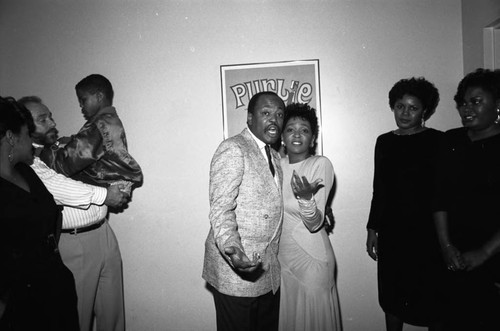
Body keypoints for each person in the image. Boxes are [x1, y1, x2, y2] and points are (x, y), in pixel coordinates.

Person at [37, 74, 143, 331]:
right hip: (75, 241)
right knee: (77, 318)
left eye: (83, 100)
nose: (80, 107)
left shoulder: (98, 126)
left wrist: (56, 147)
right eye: (42, 119)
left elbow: (67, 161)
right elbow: (65, 173)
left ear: (98, 97)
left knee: (113, 318)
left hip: (103, 232)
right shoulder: (30, 160)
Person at [366, 77, 446, 331]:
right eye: (400, 106)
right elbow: (379, 189)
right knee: (392, 297)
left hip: (427, 233)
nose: (405, 113)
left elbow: (441, 192)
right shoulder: (384, 141)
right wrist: (372, 228)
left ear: (425, 111)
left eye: (413, 107)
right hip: (392, 232)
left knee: (433, 299)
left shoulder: (438, 141)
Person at [203, 91, 285, 331]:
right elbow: (221, 210)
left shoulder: (274, 155)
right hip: (237, 273)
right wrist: (233, 251)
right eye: (266, 113)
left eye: (279, 114)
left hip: (267, 274)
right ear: (250, 118)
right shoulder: (233, 148)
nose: (274, 120)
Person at [0, 96, 79, 330]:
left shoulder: (26, 171)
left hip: (55, 288)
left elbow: (49, 216)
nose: (31, 141)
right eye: (27, 134)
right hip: (20, 303)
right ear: (11, 138)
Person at [433, 68, 500, 331]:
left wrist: (484, 253)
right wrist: (446, 246)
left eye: (475, 101)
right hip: (452, 254)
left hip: (493, 255)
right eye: (462, 103)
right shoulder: (452, 140)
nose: (466, 109)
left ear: (497, 103)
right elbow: (438, 198)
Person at [278, 103, 342, 331]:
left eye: (304, 130)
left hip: (312, 260)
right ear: (282, 137)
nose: (297, 135)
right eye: (290, 129)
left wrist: (306, 198)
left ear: (313, 138)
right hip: (282, 261)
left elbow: (315, 223)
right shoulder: (276, 165)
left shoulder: (320, 164)